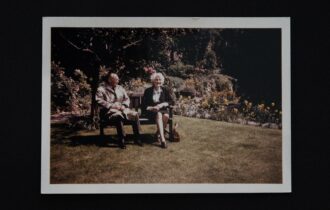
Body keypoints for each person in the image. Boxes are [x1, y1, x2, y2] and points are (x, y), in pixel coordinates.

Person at [95, 73, 142, 149]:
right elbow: (98, 100)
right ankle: (122, 139)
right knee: (118, 116)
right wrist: (111, 105)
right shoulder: (101, 89)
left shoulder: (120, 88)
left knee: (135, 114)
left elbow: (126, 99)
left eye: (117, 78)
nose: (118, 80)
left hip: (122, 109)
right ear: (110, 80)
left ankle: (137, 138)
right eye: (116, 79)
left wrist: (124, 105)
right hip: (109, 112)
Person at [142, 72, 174, 148]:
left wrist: (162, 104)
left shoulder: (165, 90)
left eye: (159, 80)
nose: (158, 81)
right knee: (159, 114)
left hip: (162, 110)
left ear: (162, 81)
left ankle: (158, 134)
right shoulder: (148, 91)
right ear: (153, 81)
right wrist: (151, 108)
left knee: (166, 115)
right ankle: (163, 140)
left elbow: (171, 101)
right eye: (156, 80)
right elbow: (143, 105)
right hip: (151, 112)